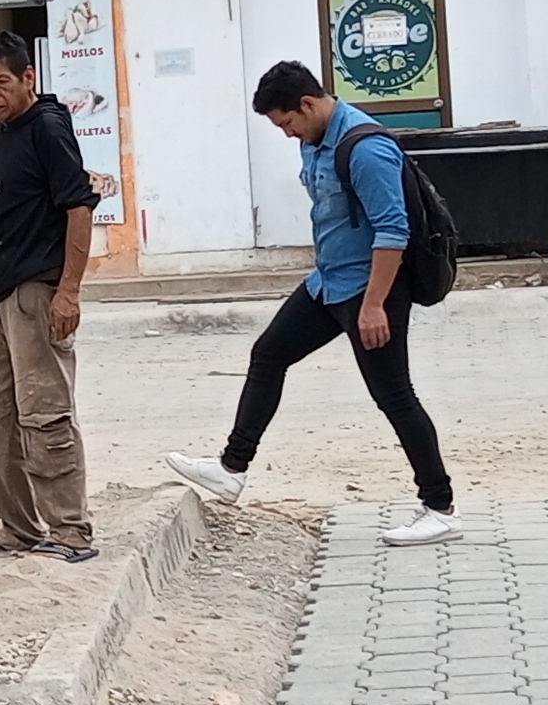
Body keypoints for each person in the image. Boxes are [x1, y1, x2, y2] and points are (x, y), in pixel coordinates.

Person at [162, 61, 459, 547]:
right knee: (268, 354)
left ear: (308, 104)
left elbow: (393, 231)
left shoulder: (366, 150)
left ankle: (440, 507)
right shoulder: (314, 141)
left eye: (287, 123)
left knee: (395, 396)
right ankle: (231, 469)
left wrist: (374, 306)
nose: (287, 134)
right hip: (328, 284)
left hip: (371, 291)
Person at [0, 32, 101, 562]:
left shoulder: (46, 127)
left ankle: (70, 530)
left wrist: (68, 292)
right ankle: (18, 528)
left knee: (45, 414)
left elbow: (78, 208)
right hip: (2, 299)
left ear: (28, 77)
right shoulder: (4, 133)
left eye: (1, 82)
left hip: (38, 293)